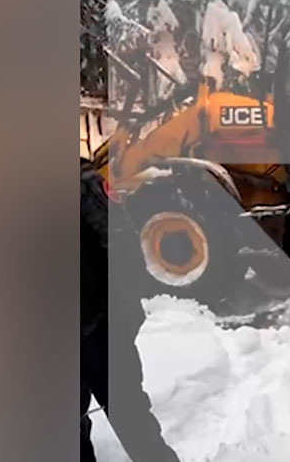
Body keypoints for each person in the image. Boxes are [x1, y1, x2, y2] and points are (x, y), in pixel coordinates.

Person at [81, 157, 181, 462]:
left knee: (134, 422)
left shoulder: (82, 183)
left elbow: (122, 244)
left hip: (100, 330)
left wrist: (123, 316)